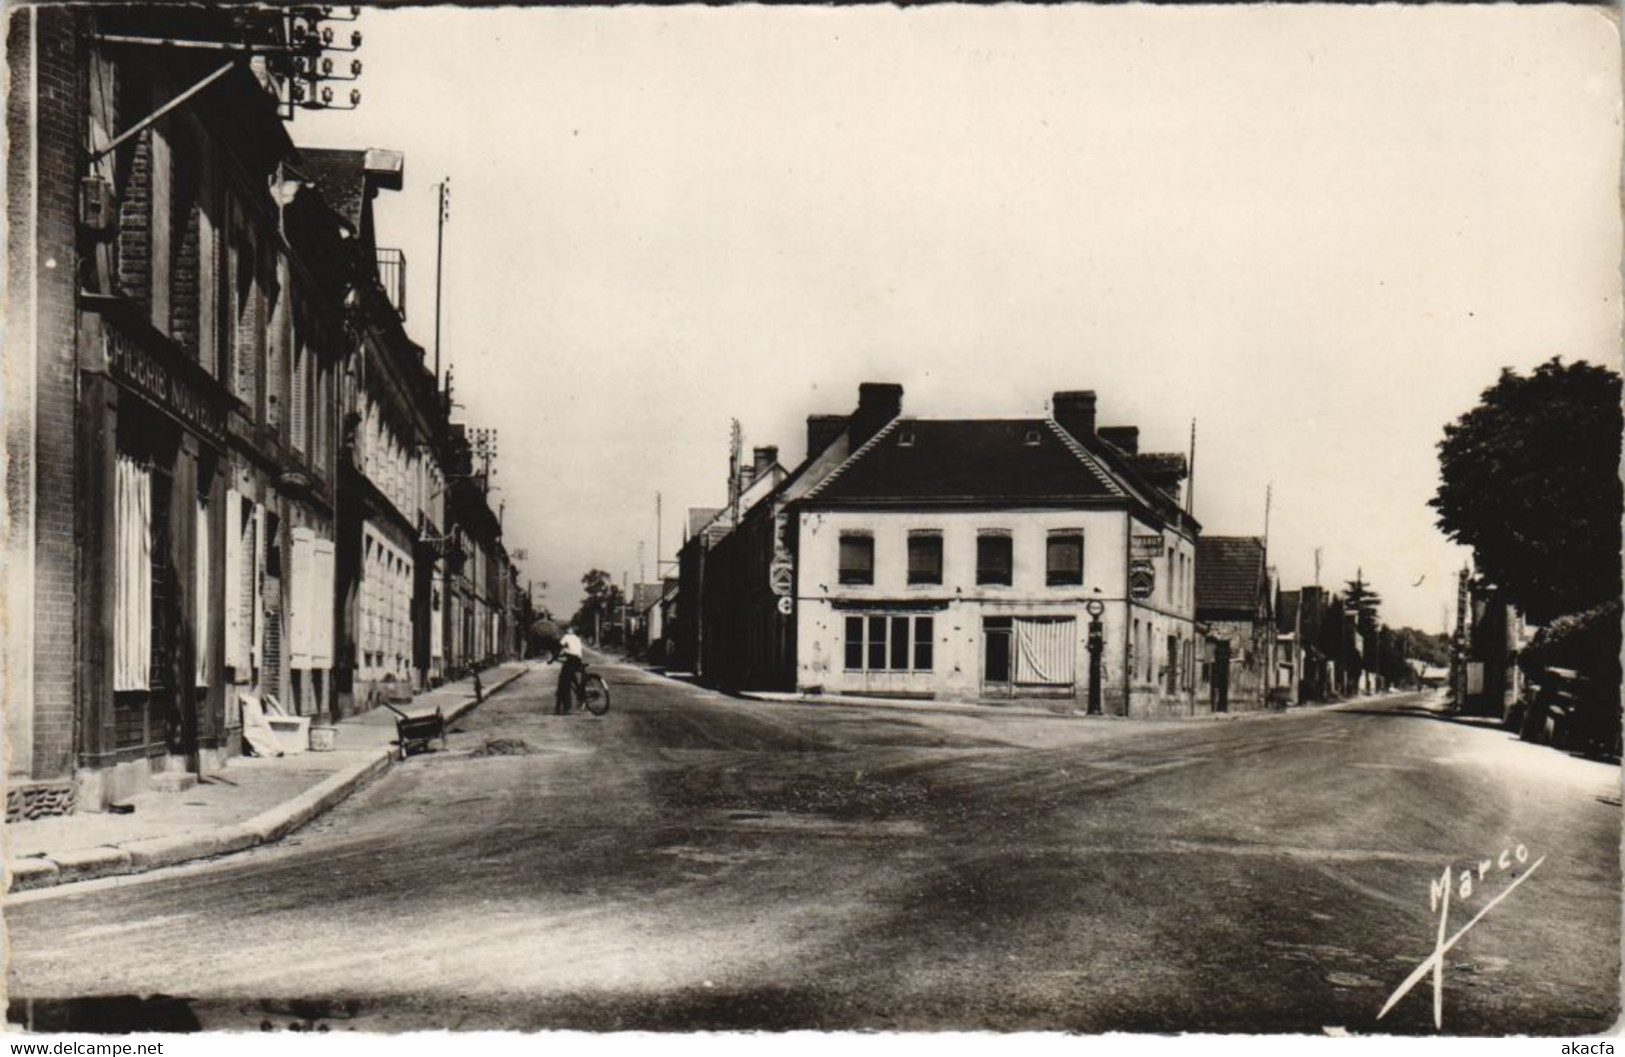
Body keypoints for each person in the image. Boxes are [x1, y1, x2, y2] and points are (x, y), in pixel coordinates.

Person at [555, 626, 585, 715]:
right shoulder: (577, 638)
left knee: (563, 682)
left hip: (571, 660)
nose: (567, 630)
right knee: (571, 677)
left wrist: (556, 655)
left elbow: (560, 646)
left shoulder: (567, 637)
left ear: (570, 631)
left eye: (568, 629)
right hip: (578, 661)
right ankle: (580, 692)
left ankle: (563, 707)